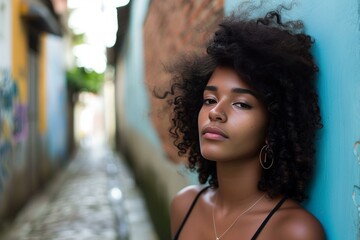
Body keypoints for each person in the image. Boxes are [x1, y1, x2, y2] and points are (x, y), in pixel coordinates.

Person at [157, 3, 326, 240]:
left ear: (273, 126)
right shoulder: (184, 205)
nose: (215, 112)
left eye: (241, 104)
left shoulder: (294, 232)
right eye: (209, 99)